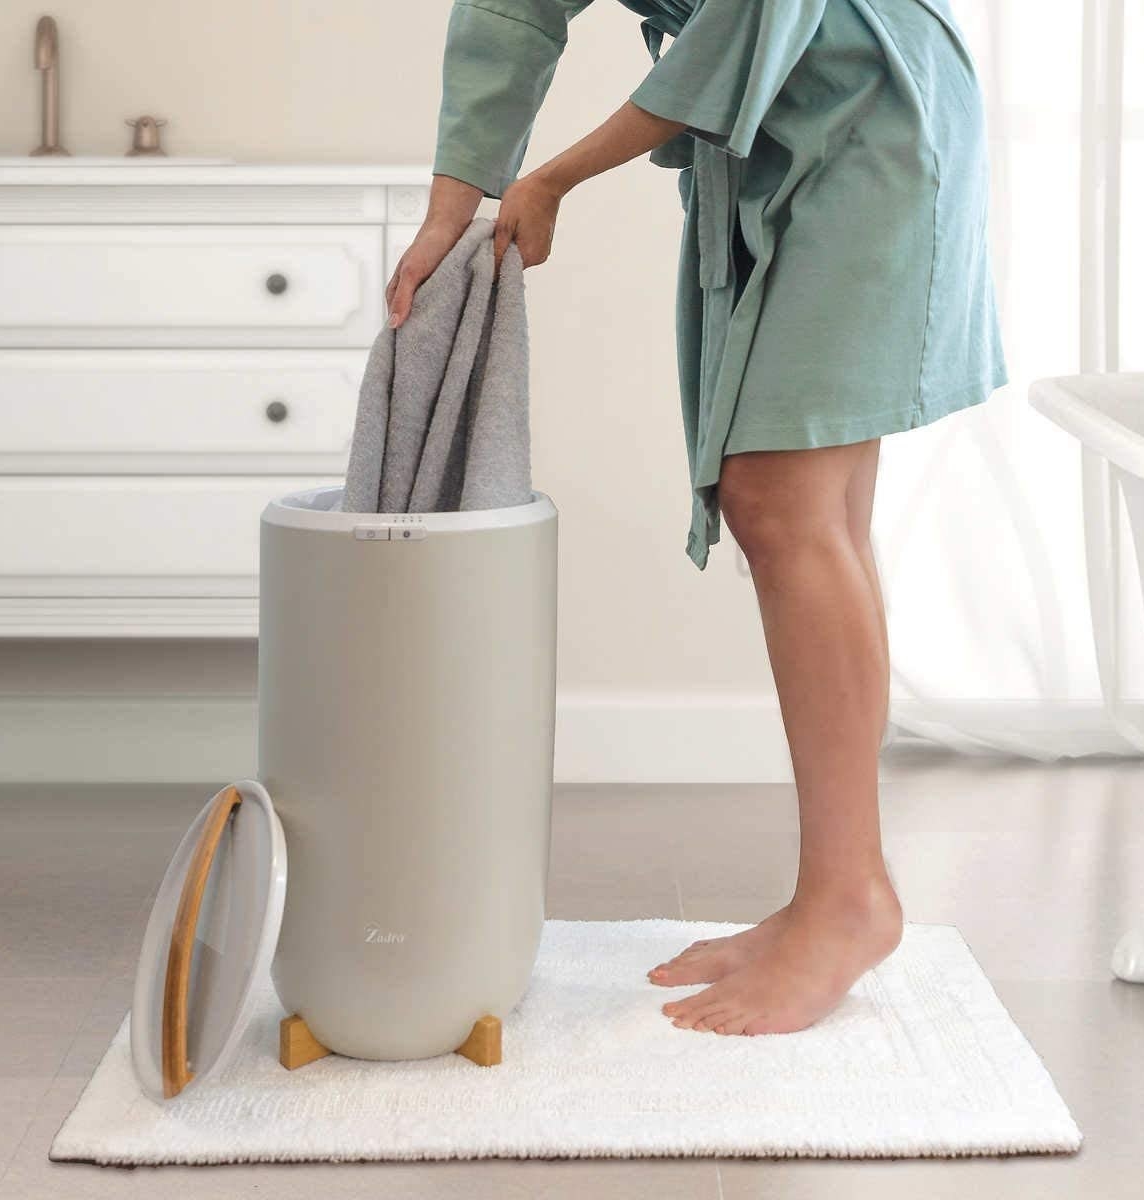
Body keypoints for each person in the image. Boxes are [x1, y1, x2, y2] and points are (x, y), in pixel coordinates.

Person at [386, 0, 1008, 1036]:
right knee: (816, 512)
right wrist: (452, 205)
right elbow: (512, 7)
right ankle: (837, 893)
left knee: (787, 501)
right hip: (780, 127)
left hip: (873, 113)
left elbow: (749, 23)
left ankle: (849, 899)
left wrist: (552, 177)